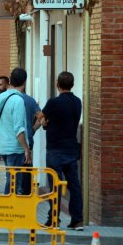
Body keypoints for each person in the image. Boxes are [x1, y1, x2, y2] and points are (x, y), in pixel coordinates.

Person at [41, 71, 83, 231]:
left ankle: (54, 219)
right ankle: (77, 220)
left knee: (55, 186)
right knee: (74, 186)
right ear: (72, 84)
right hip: (72, 149)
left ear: (57, 84)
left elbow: (41, 117)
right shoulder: (77, 102)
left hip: (55, 149)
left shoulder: (54, 103)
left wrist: (45, 122)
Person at [0, 67, 31, 195]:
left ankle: (7, 207)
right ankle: (8, 209)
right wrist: (26, 149)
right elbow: (19, 129)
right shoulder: (18, 100)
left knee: (11, 178)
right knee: (14, 182)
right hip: (15, 147)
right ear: (24, 82)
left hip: (2, 145)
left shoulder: (0, 98)